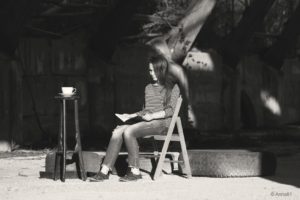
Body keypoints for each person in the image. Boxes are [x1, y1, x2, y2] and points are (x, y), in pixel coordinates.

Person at [90, 55, 180, 182]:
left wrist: (152, 116)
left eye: (155, 70)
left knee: (129, 131)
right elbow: (146, 110)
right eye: (150, 70)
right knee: (118, 130)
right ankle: (104, 170)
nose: (152, 74)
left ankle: (134, 171)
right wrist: (130, 115)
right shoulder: (148, 88)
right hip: (148, 122)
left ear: (162, 70)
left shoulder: (173, 87)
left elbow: (171, 110)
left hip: (163, 124)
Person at [147, 37, 197, 128]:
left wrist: (190, 112)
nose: (149, 57)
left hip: (170, 117)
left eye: (152, 53)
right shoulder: (163, 70)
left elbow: (186, 93)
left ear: (159, 52)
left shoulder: (174, 70)